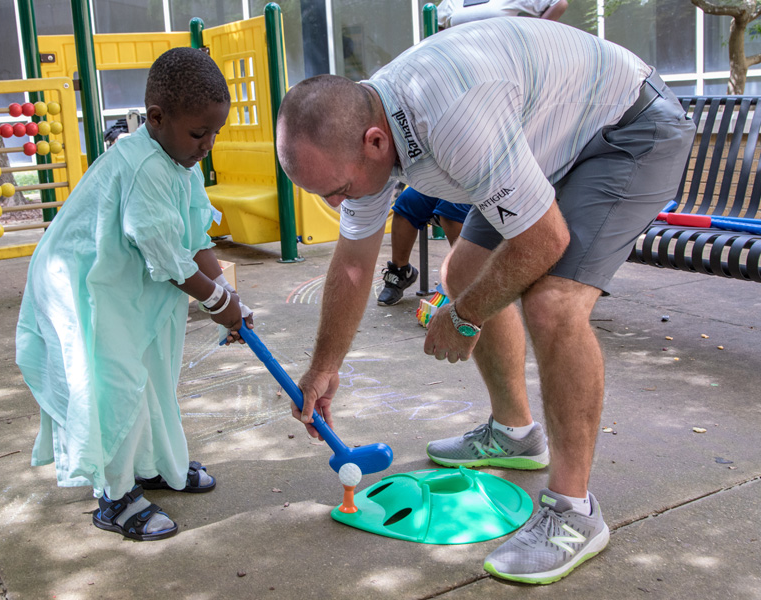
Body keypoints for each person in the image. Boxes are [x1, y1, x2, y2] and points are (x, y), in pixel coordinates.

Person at [275, 18, 695, 584]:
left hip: (625, 130)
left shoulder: (451, 115)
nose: (336, 203)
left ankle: (574, 513)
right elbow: (352, 265)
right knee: (464, 268)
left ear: (375, 142)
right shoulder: (359, 129)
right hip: (544, 139)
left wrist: (466, 317)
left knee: (552, 302)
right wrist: (324, 367)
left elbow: (545, 240)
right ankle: (515, 433)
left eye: (338, 191)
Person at [16, 47, 252, 542]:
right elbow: (168, 258)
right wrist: (217, 303)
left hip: (126, 285)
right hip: (86, 291)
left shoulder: (180, 160)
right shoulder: (145, 167)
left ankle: (155, 465)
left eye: (214, 132)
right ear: (157, 117)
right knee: (115, 386)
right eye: (197, 132)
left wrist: (229, 296)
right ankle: (114, 495)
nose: (207, 144)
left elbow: (194, 238)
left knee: (152, 376)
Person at [377, 0, 566, 306]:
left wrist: (534, 36)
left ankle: (460, 284)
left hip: (496, 141)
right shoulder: (450, 4)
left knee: (452, 212)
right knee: (407, 204)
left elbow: (558, 4)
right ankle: (400, 271)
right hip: (456, 135)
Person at [377, 187, 471, 305]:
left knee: (452, 208)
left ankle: (467, 275)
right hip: (444, 181)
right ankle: (401, 272)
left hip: (479, 184)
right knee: (407, 201)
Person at [437, 0, 568, 28]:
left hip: (505, 63)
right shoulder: (452, 2)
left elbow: (559, 3)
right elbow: (436, 23)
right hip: (464, 67)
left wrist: (536, 32)